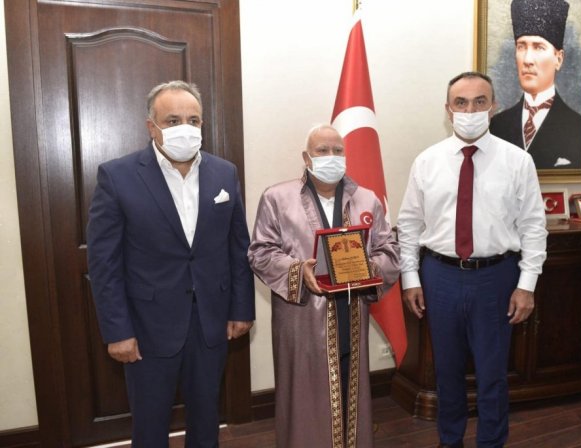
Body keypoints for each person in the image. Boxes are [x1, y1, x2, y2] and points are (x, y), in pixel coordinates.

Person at [87, 80, 255, 447]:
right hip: (147, 327)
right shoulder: (117, 176)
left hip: (211, 323)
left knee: (207, 420)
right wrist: (117, 331)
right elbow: (104, 263)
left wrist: (241, 309)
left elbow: (237, 246)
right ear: (152, 127)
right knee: (149, 426)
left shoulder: (224, 173)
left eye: (193, 120)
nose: (185, 128)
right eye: (173, 120)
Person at [397, 72, 547, 448]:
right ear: (448, 110)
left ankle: (491, 442)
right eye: (461, 102)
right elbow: (409, 225)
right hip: (440, 276)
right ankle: (450, 441)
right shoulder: (427, 161)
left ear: (493, 107)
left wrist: (526, 286)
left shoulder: (518, 161)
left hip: (496, 278)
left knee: (492, 375)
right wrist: (410, 279)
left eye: (480, 101)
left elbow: (533, 227)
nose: (470, 110)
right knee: (446, 372)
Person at [248, 124, 400, 448]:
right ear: (306, 157)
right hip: (301, 319)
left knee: (349, 385)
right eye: (322, 150)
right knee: (305, 396)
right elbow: (260, 252)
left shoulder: (367, 199)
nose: (331, 157)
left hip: (352, 313)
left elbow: (389, 251)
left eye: (337, 151)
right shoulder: (277, 198)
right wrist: (296, 270)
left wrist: (369, 268)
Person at [489, 0, 581, 170]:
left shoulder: (578, 127)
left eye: (538, 47)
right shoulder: (497, 125)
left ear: (558, 59)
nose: (527, 60)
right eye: (521, 47)